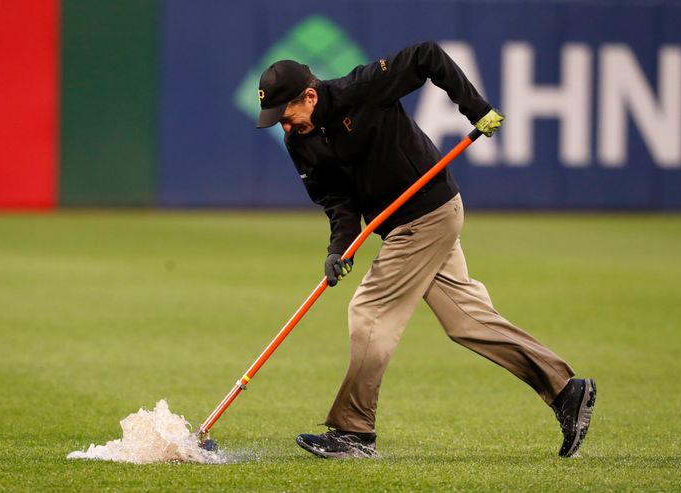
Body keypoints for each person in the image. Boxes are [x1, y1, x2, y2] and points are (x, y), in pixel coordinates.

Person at [255, 41, 596, 459]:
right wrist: (339, 248)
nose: (285, 128)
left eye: (286, 117)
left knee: (370, 312)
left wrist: (474, 107)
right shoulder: (300, 143)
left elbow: (427, 55)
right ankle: (565, 390)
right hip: (403, 225)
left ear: (308, 96)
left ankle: (353, 432)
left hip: (427, 213)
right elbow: (337, 200)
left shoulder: (361, 89)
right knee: (468, 321)